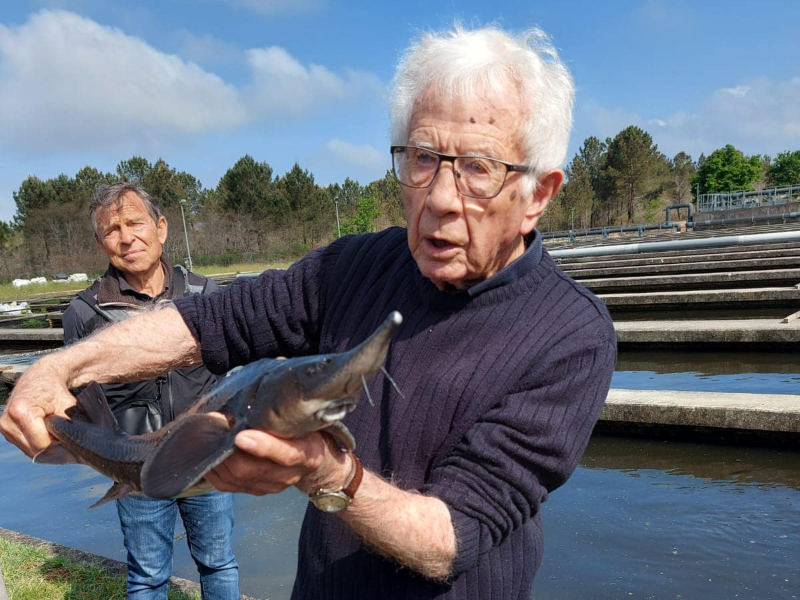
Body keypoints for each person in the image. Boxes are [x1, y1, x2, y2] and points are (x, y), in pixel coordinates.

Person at [1, 25, 616, 600]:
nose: (441, 198)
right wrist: (66, 366)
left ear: (539, 193)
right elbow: (210, 320)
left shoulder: (571, 337)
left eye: (479, 169)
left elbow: (455, 535)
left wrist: (327, 474)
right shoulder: (353, 265)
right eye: (422, 159)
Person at [60, 182, 240, 600]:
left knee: (219, 564)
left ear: (161, 228)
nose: (126, 237)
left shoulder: (204, 293)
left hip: (204, 457)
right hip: (132, 465)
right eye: (112, 229)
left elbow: (232, 374)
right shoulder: (84, 311)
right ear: (100, 242)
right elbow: (78, 401)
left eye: (135, 223)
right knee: (147, 576)